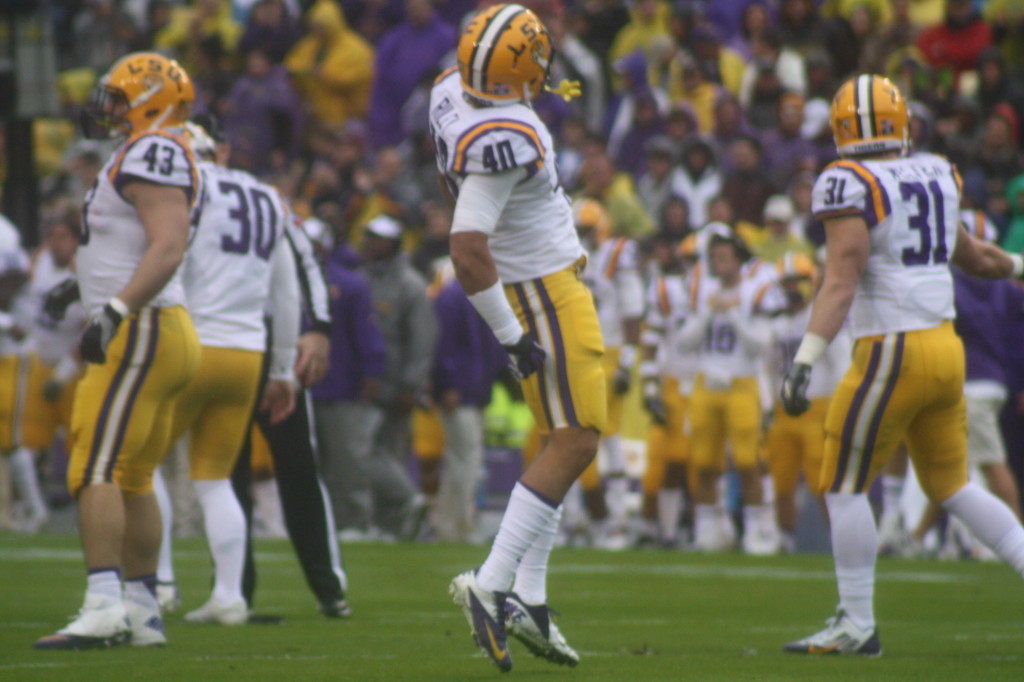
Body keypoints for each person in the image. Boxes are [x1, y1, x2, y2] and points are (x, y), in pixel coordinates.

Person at [780, 74, 1024, 656]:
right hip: (945, 348)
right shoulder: (935, 172)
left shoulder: (848, 182)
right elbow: (978, 259)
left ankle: (856, 622)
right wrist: (1021, 265)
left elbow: (841, 280)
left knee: (842, 483)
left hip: (892, 348)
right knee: (952, 485)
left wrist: (805, 357)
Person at [432, 4, 605, 671]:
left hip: (535, 282)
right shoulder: (507, 133)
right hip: (542, 289)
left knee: (557, 438)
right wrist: (510, 334)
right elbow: (467, 247)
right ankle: (494, 581)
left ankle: (529, 595)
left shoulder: (450, 88)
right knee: (579, 437)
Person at [35, 52, 202, 649]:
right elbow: (126, 244)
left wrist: (113, 311)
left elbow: (167, 245)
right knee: (131, 475)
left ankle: (104, 605)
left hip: (144, 327)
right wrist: (77, 285)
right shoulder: (152, 149)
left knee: (93, 467)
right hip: (158, 327)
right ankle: (143, 610)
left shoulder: (151, 150)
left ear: (150, 99)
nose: (105, 108)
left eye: (117, 97)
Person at [154, 121, 300, 626]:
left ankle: (158, 584)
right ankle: (229, 596)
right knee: (215, 480)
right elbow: (287, 291)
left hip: (192, 342)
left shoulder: (188, 191)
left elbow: (169, 261)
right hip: (248, 353)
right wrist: (283, 367)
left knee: (139, 467)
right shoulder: (267, 196)